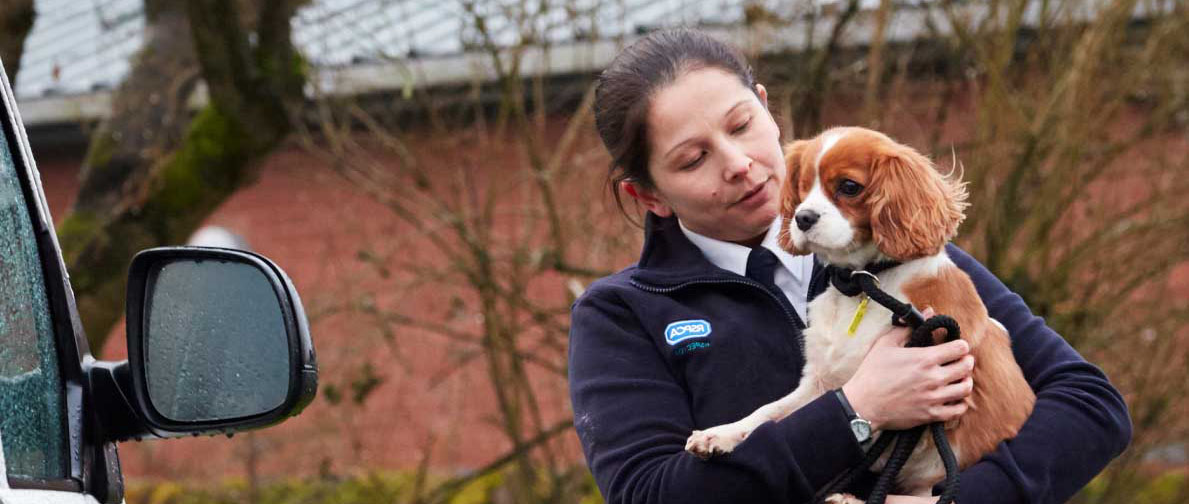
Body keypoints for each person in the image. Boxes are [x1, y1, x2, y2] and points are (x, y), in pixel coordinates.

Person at [567, 28, 1131, 504]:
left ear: (767, 107)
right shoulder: (622, 314)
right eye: (694, 159)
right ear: (649, 196)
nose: (738, 163)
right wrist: (857, 410)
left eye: (741, 125)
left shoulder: (898, 253)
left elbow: (1091, 407)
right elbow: (650, 493)